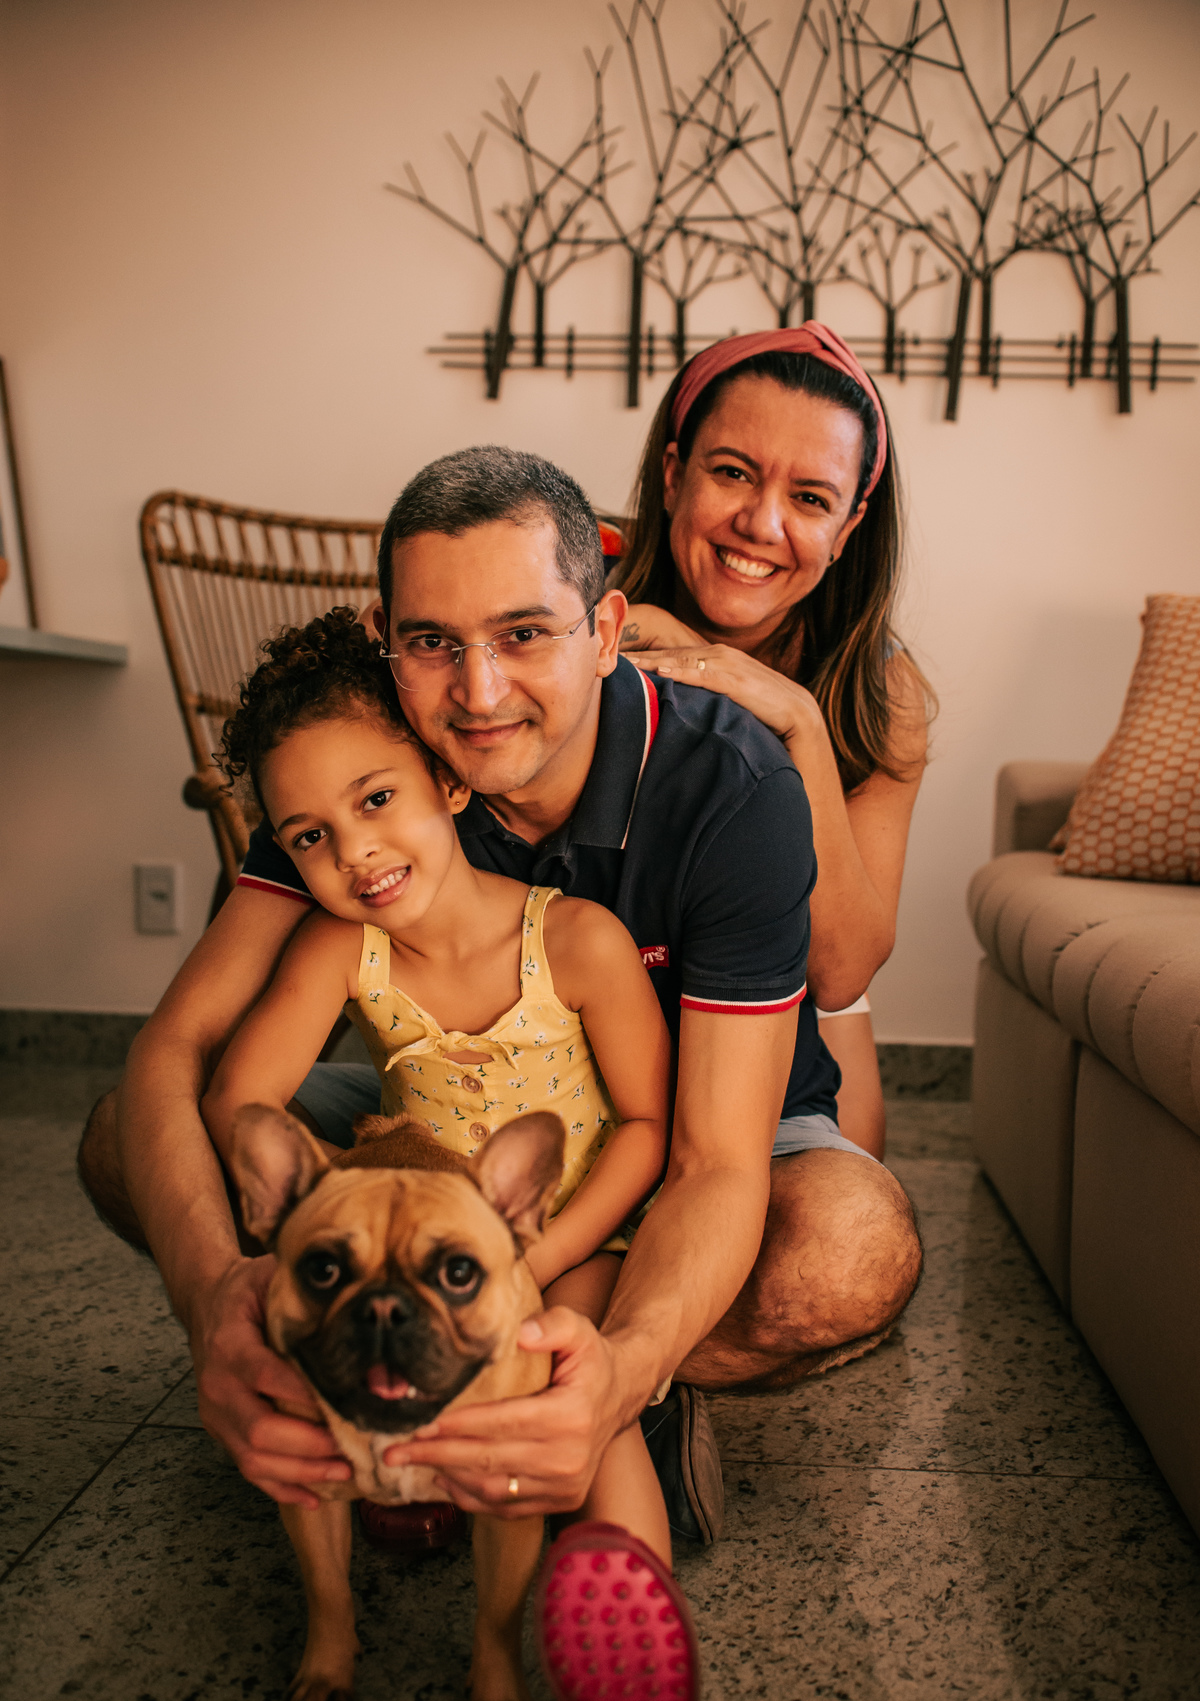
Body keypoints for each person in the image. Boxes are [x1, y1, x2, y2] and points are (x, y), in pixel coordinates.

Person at [78, 444, 921, 1553]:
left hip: (698, 1123)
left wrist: (621, 1365)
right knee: (124, 1142)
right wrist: (215, 1308)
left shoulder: (732, 784)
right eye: (433, 642)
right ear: (386, 640)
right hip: (438, 1124)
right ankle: (414, 1381)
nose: (477, 695)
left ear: (605, 632)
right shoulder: (361, 763)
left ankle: (579, 1394)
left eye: (525, 633)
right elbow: (178, 1051)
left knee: (847, 1248)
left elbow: (710, 1157)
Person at [200, 605, 675, 1561]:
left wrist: (533, 1258)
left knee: (563, 1373)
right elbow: (237, 1101)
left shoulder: (578, 939)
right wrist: (340, 1201)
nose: (354, 853)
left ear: (449, 781)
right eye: (309, 837)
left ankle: (626, 1593)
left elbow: (647, 1124)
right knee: (374, 1347)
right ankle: (402, 1492)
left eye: (376, 799)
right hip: (426, 1249)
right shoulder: (342, 947)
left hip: (576, 1230)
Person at [613, 325, 934, 1158]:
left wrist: (798, 722)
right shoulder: (581, 603)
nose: (761, 523)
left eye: (811, 499)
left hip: (791, 992)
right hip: (591, 989)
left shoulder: (879, 692)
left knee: (845, 1194)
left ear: (850, 525)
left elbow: (842, 972)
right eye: (732, 472)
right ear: (674, 473)